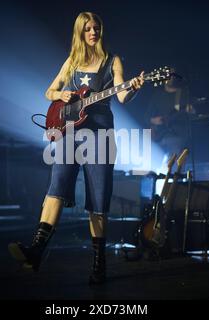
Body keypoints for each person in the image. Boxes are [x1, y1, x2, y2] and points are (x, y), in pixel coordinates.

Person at [8, 12, 144, 285]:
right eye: (87, 29)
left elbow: (122, 95)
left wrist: (135, 87)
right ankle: (35, 251)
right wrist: (61, 95)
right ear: (80, 32)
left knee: (98, 201)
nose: (93, 32)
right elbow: (50, 91)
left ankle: (99, 265)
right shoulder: (72, 61)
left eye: (96, 28)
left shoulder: (112, 60)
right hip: (71, 133)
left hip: (100, 135)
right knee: (55, 188)